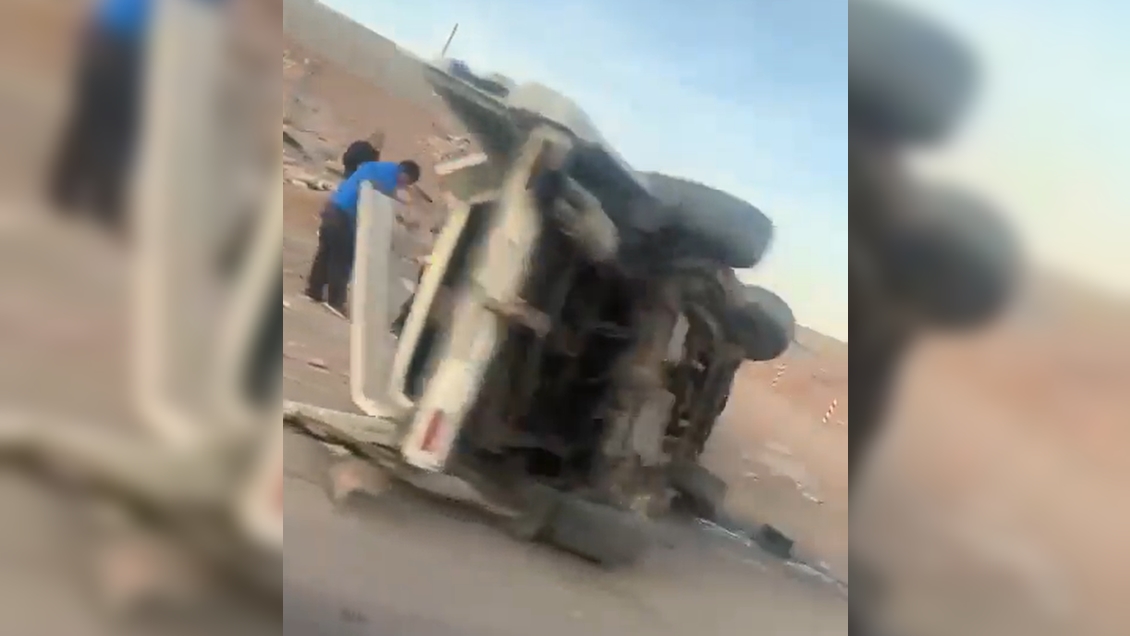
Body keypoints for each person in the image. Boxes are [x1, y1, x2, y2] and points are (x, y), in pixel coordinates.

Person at [47, 0, 152, 232]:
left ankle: (69, 187)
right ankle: (98, 196)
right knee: (117, 122)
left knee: (94, 115)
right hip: (130, 40)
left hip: (110, 33)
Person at [305, 160, 422, 317]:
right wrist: (403, 221)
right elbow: (377, 199)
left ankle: (313, 291)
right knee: (342, 259)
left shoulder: (377, 167)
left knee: (325, 253)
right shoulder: (390, 177)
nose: (402, 186)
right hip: (344, 215)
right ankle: (335, 301)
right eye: (406, 182)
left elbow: (375, 189)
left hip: (333, 206)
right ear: (405, 174)